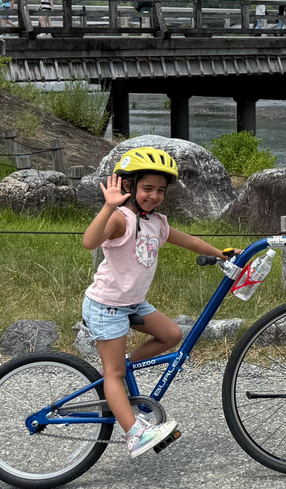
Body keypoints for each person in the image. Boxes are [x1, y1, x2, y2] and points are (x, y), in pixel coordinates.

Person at [82, 146, 239, 458]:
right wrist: (107, 208)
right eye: (146, 188)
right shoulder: (121, 219)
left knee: (171, 335)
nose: (153, 196)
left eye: (160, 191)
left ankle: (121, 373)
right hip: (106, 305)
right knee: (111, 374)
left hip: (133, 303)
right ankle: (135, 433)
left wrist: (222, 253)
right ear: (129, 186)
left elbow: (191, 242)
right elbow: (90, 241)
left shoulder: (157, 223)